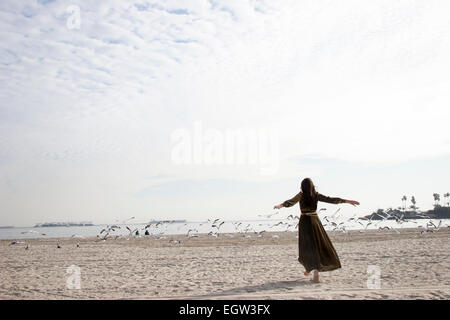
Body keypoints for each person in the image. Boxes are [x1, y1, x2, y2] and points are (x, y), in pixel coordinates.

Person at [274, 178, 359, 283]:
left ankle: (309, 270)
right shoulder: (315, 195)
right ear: (312, 186)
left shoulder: (301, 195)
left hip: (305, 222)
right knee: (317, 246)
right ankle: (314, 273)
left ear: (302, 186)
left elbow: (291, 202)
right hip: (314, 221)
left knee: (307, 247)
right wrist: (347, 201)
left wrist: (280, 205)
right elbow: (331, 200)